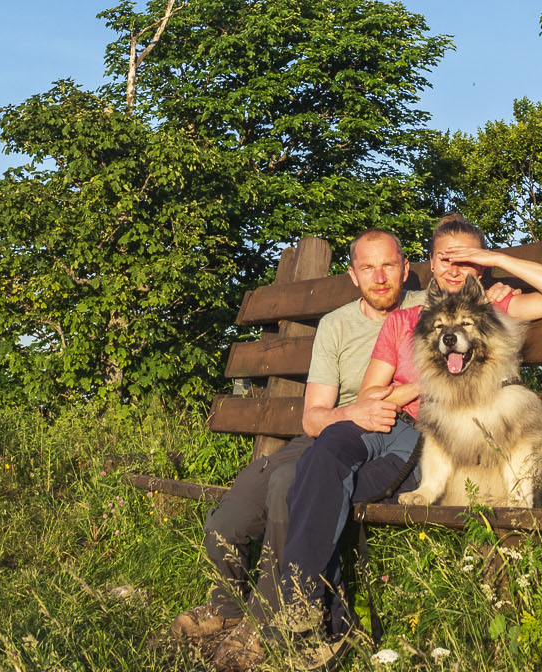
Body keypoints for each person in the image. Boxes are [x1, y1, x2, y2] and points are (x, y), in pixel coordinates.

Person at [247, 214, 542, 661]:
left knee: (314, 483)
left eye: (466, 259)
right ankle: (310, 613)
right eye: (446, 258)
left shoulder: (492, 309)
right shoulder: (406, 320)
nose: (455, 268)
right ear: (428, 263)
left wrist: (493, 260)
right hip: (398, 429)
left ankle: (315, 619)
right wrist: (420, 386)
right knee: (318, 463)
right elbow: (370, 395)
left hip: (455, 441)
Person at [171, 228, 422, 648]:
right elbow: (313, 418)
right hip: (330, 431)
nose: (380, 278)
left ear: (406, 268)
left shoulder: (427, 310)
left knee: (289, 487)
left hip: (381, 437)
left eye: (389, 266)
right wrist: (351, 412)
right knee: (234, 511)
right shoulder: (336, 325)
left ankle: (268, 623)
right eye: (368, 268)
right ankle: (226, 609)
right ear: (353, 275)